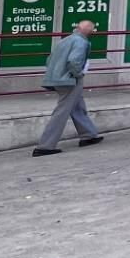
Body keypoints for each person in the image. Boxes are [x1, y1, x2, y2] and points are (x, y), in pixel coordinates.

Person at [34, 20, 103, 156]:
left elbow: (49, 60)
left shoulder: (64, 40)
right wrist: (79, 74)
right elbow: (74, 61)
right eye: (92, 30)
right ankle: (45, 146)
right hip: (70, 80)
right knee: (62, 112)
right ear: (88, 30)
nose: (93, 32)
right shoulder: (81, 42)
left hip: (59, 79)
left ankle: (88, 135)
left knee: (77, 107)